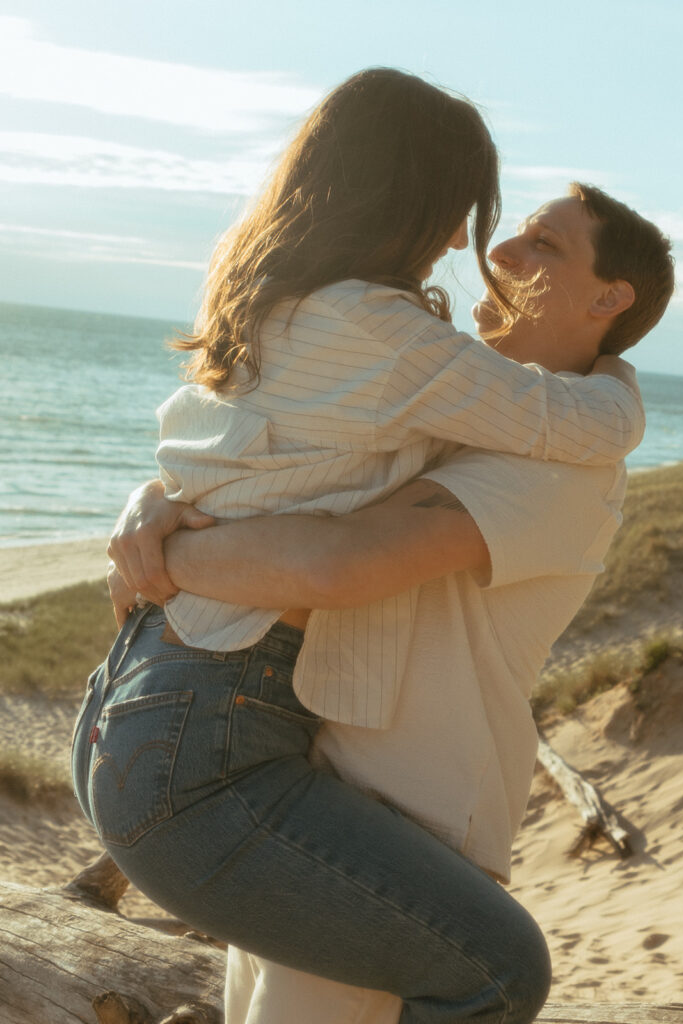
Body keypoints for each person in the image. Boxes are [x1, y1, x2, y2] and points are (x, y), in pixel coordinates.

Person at [73, 65, 647, 1024]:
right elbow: (575, 422)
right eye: (464, 210)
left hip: (152, 708)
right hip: (209, 735)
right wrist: (623, 388)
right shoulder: (391, 341)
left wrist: (158, 536)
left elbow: (252, 472)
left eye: (528, 238)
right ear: (405, 198)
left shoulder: (281, 307)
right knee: (499, 972)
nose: (475, 244)